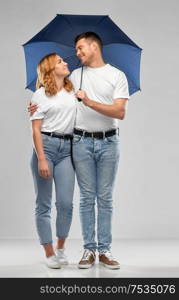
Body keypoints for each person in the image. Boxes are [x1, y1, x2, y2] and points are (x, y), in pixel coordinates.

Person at [29, 32, 129, 270]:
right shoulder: (75, 75)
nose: (76, 54)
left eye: (81, 48)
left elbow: (120, 112)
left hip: (108, 142)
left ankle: (104, 250)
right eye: (75, 50)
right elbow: (51, 98)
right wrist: (34, 106)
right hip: (80, 142)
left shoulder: (117, 75)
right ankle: (87, 250)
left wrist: (89, 100)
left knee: (103, 198)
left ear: (94, 46)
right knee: (85, 198)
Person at [30, 53, 76, 269]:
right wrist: (41, 159)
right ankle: (49, 253)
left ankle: (61, 248)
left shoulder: (72, 90)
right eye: (60, 61)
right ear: (49, 68)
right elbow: (36, 130)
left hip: (68, 150)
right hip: (45, 148)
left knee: (66, 204)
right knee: (44, 204)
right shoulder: (39, 95)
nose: (65, 63)